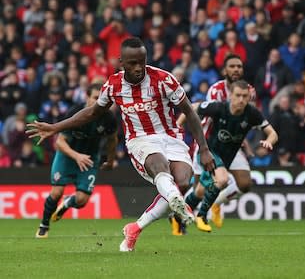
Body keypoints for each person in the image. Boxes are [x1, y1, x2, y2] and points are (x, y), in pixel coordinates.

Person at [27, 37, 215, 251]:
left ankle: (135, 228)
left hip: (171, 137)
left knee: (182, 181)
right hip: (140, 140)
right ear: (121, 62)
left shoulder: (163, 79)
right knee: (163, 172)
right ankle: (175, 201)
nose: (138, 68)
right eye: (132, 63)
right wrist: (56, 127)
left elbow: (189, 112)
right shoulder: (113, 85)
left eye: (142, 62)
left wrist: (205, 149)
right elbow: (92, 112)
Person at [173, 54, 256, 234]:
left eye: (239, 66)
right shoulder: (216, 90)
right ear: (224, 70)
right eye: (232, 66)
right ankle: (179, 216)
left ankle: (216, 203)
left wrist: (245, 143)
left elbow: (245, 119)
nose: (236, 69)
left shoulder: (250, 90)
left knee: (245, 184)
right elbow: (204, 113)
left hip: (232, 145)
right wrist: (178, 129)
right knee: (200, 190)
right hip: (209, 144)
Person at [183, 80, 277, 232]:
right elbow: (192, 108)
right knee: (223, 179)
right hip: (208, 152)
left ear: (249, 97)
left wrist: (269, 141)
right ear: (230, 96)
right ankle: (201, 215)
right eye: (238, 95)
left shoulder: (252, 113)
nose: (241, 99)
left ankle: (177, 216)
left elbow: (272, 133)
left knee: (200, 191)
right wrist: (177, 127)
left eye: (245, 96)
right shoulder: (219, 107)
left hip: (227, 157)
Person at [35, 83, 118, 238]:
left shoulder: (109, 118)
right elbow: (59, 142)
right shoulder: (74, 112)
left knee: (82, 200)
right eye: (95, 98)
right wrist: (76, 156)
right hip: (67, 155)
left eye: (102, 99)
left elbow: (112, 140)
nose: (99, 102)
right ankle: (44, 225)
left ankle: (68, 203)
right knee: (56, 192)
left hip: (89, 158)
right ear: (86, 97)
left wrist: (111, 161)